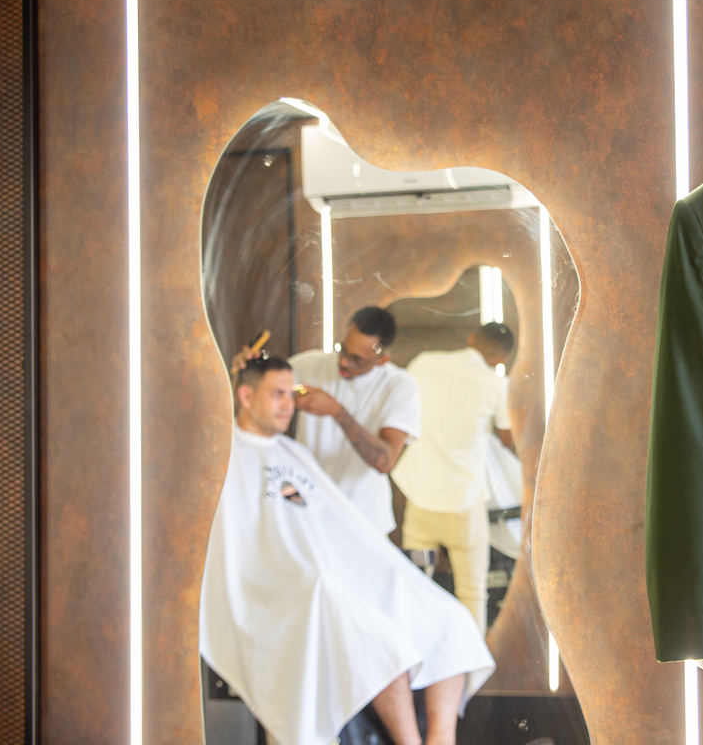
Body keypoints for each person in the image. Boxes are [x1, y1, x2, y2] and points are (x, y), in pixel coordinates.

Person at [200, 355, 494, 745]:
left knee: (449, 620)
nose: (288, 404)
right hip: (290, 587)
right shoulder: (224, 456)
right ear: (245, 395)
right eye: (277, 394)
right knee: (379, 642)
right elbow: (245, 547)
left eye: (291, 394)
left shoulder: (294, 453)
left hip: (340, 575)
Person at [233, 307, 420, 534]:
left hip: (362, 518)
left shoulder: (400, 386)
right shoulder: (309, 365)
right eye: (342, 350)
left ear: (382, 360)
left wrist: (337, 412)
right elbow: (259, 393)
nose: (344, 362)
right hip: (307, 512)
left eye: (357, 360)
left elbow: (385, 462)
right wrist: (246, 370)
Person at [391, 323, 516, 634]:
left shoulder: (424, 363)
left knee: (416, 585)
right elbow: (507, 438)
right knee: (472, 594)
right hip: (464, 510)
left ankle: (416, 653)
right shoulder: (496, 384)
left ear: (471, 339)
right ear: (501, 359)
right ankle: (471, 664)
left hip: (420, 503)